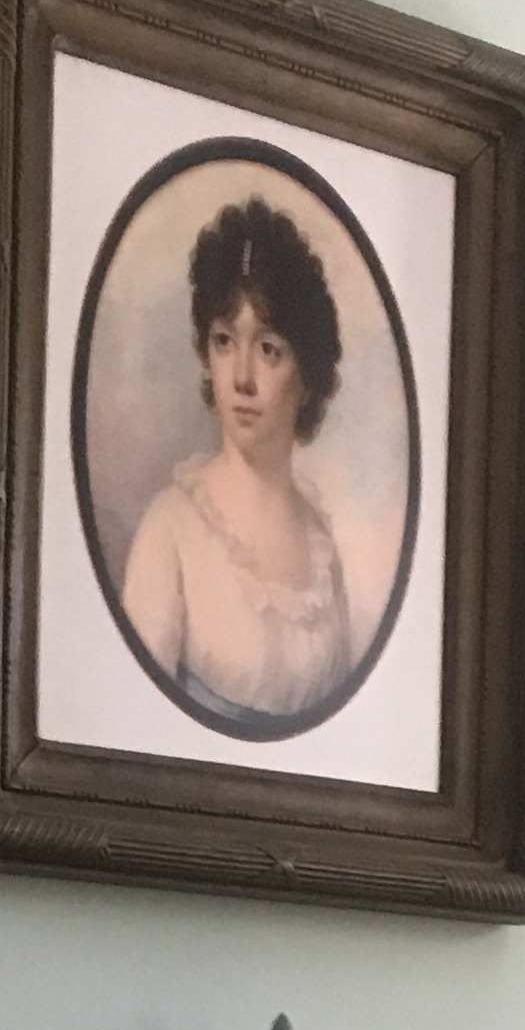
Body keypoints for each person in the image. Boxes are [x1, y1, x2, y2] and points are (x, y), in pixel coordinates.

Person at [119, 194, 357, 727]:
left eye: (269, 348)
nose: (242, 378)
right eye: (225, 342)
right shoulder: (171, 531)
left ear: (307, 373)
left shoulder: (323, 550)